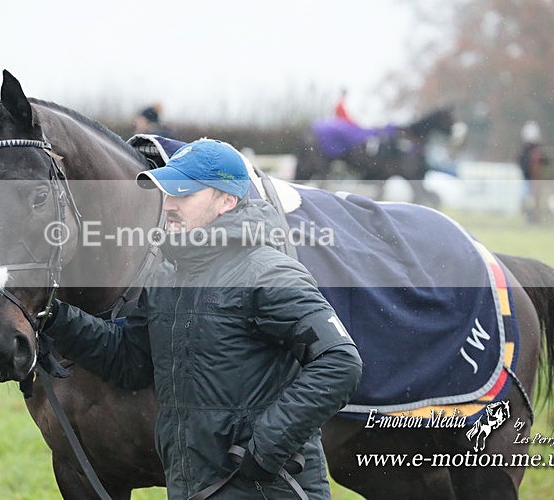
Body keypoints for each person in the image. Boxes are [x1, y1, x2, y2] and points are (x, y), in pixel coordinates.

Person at [40, 139, 363, 499]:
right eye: (167, 193)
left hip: (267, 487)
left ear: (227, 200)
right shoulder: (165, 277)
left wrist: (268, 447)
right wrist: (53, 316)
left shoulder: (267, 273)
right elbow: (129, 362)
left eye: (184, 194)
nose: (169, 205)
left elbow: (340, 361)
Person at [518, 120, 548, 223]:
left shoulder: (534, 150)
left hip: (533, 180)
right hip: (528, 179)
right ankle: (530, 219)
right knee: (528, 201)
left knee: (532, 201)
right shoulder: (527, 150)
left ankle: (533, 219)